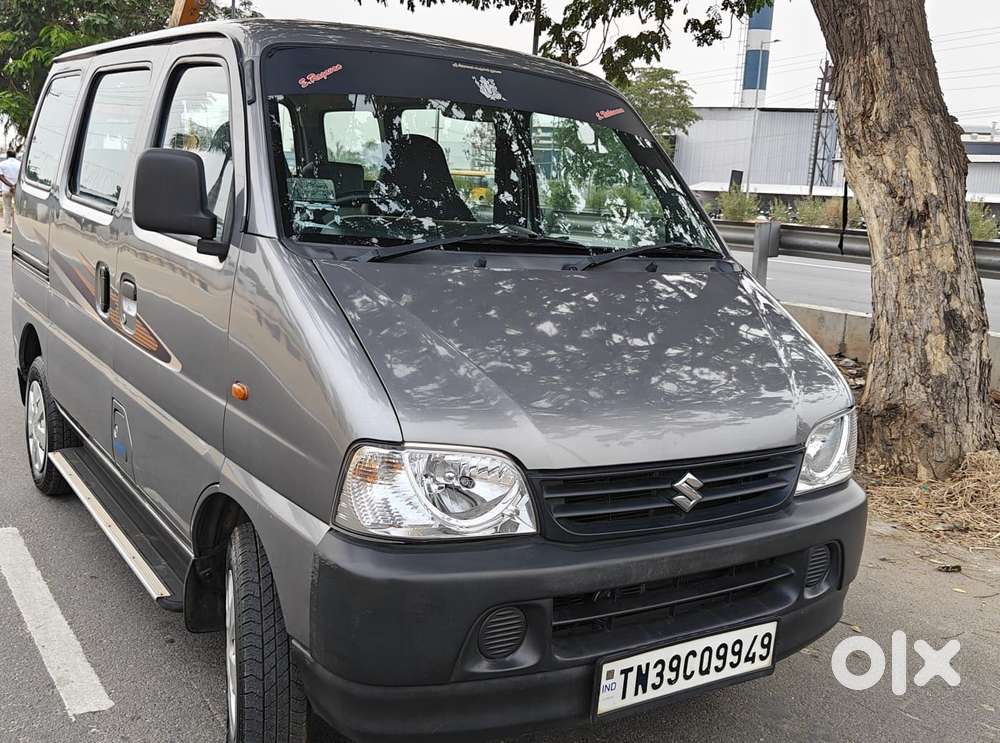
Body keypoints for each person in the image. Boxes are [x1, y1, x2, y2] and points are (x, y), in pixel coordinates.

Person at [0, 148, 21, 233]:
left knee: (7, 208)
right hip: (17, 190)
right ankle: (17, 229)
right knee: (17, 209)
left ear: (7, 156)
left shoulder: (2, 164)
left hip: (6, 189)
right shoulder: (20, 164)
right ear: (15, 156)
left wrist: (10, 185)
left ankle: (8, 228)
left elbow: (1, 176)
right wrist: (14, 185)